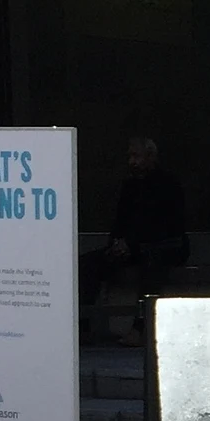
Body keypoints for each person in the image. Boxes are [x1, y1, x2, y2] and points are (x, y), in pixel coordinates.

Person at [79, 138, 186, 341]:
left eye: (136, 156)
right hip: (131, 247)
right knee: (87, 264)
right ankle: (83, 325)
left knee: (152, 266)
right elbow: (120, 219)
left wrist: (132, 244)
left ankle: (140, 328)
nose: (132, 161)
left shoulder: (168, 183)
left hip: (163, 246)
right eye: (130, 156)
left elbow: (167, 225)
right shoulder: (130, 185)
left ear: (150, 157)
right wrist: (116, 244)